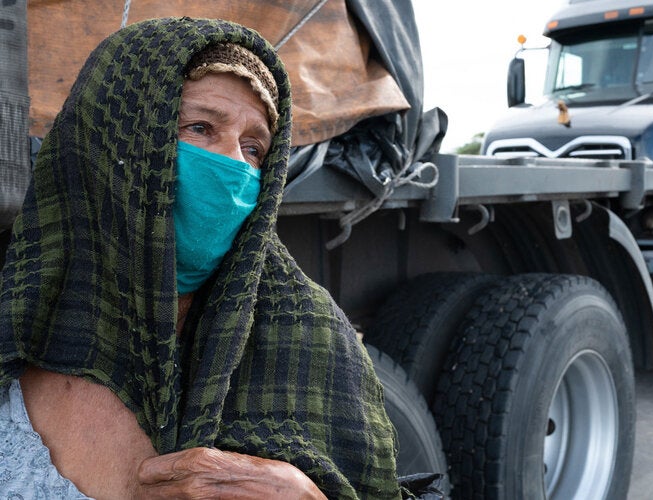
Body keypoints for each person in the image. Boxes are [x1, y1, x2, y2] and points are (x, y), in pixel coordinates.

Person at [0, 17, 405, 499]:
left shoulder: (308, 337)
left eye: (254, 148)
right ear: (113, 142)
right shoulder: (20, 314)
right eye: (200, 127)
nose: (234, 163)